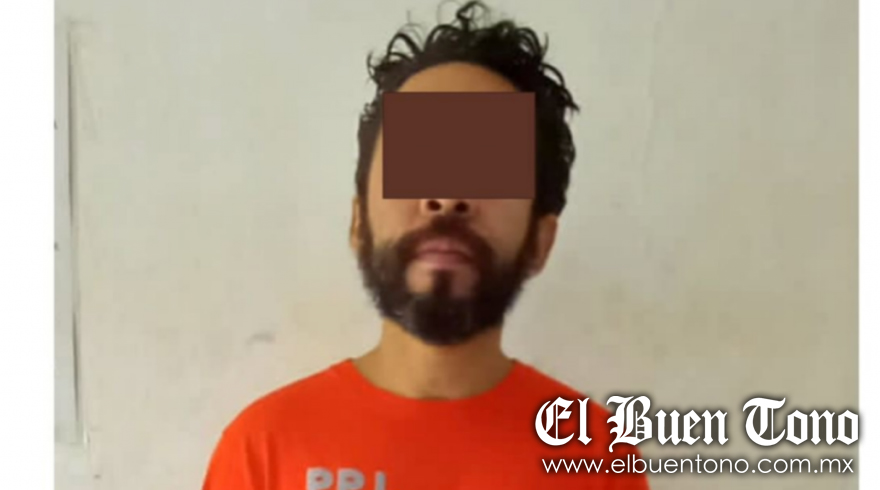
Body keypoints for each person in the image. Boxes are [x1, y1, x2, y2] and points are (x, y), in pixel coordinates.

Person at [203, 2, 650, 489]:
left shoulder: (596, 455)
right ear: (358, 222)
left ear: (540, 242)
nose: (448, 196)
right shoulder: (263, 449)